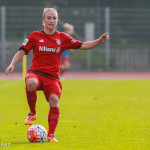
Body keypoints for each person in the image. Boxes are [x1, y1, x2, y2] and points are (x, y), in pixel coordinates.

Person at [5, 8, 109, 142]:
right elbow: (21, 52)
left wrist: (98, 41)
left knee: (54, 100)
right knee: (31, 83)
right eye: (48, 18)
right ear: (43, 20)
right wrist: (12, 64)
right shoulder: (35, 36)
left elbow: (83, 45)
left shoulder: (63, 38)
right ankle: (32, 113)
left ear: (57, 21)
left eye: (54, 18)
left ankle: (51, 135)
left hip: (52, 78)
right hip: (35, 73)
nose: (51, 20)